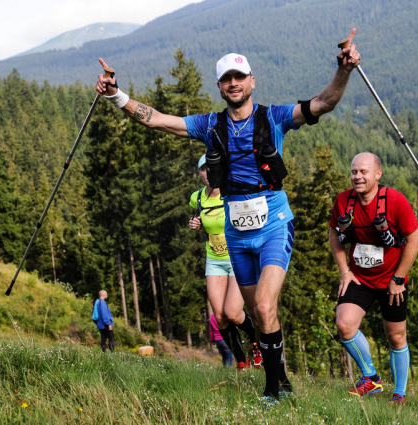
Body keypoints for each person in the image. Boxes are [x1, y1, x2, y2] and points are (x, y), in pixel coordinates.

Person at [96, 29, 362, 402]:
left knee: (266, 305)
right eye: (227, 79)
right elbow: (156, 119)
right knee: (256, 313)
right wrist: (116, 95)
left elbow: (322, 103)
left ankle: (272, 390)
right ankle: (281, 377)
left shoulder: (275, 118)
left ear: (252, 81)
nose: (234, 84)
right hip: (236, 229)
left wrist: (344, 71)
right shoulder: (210, 126)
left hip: (272, 222)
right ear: (220, 87)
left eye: (240, 77)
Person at [329, 153, 418, 406]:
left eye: (363, 172)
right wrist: (344, 271)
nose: (357, 176)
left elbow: (414, 240)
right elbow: (334, 236)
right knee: (344, 324)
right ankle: (371, 378)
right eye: (354, 171)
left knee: (396, 337)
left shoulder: (395, 201)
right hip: (360, 278)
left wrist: (399, 278)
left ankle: (399, 394)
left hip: (392, 279)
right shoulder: (343, 201)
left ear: (377, 174)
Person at [190, 154, 262, 371]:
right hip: (214, 259)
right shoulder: (197, 198)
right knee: (220, 317)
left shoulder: (233, 193)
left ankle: (256, 342)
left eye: (212, 168)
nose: (208, 173)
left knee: (233, 313)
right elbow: (198, 216)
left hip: (236, 257)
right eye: (204, 169)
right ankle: (241, 362)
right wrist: (195, 223)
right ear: (200, 173)